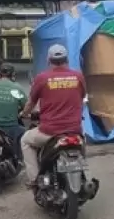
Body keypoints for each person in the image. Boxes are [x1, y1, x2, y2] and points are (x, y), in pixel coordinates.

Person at [21, 44, 85, 189]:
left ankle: (34, 179)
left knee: (25, 140)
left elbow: (31, 103)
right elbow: (81, 97)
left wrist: (24, 114)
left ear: (48, 60)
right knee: (82, 143)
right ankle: (81, 172)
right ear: (66, 59)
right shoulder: (78, 76)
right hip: (74, 130)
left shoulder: (42, 78)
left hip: (48, 132)